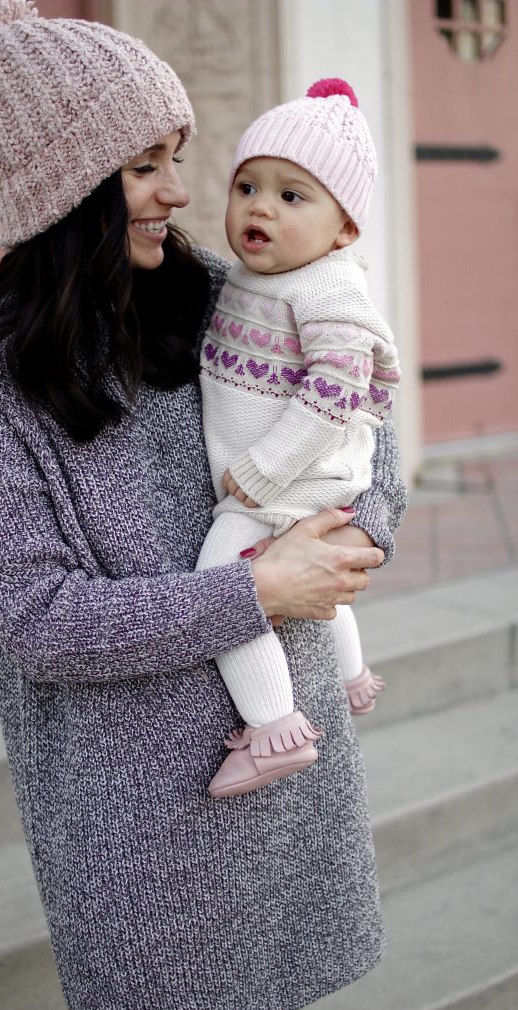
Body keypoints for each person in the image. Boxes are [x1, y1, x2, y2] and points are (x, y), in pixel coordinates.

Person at [0, 2, 406, 1010]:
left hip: (288, 765)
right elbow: (37, 621)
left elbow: (364, 413)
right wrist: (257, 589)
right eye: (144, 164)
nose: (178, 192)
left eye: (176, 155)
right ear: (68, 182)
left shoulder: (228, 294)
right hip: (139, 815)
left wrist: (359, 531)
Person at [198, 80, 401, 798]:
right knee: (325, 598)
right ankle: (349, 677)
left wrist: (260, 472)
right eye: (247, 185)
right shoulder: (249, 278)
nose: (258, 206)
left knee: (225, 583)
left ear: (343, 229)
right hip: (288, 478)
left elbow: (332, 394)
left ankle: (273, 730)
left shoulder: (328, 289)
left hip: (293, 480)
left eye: (292, 197)